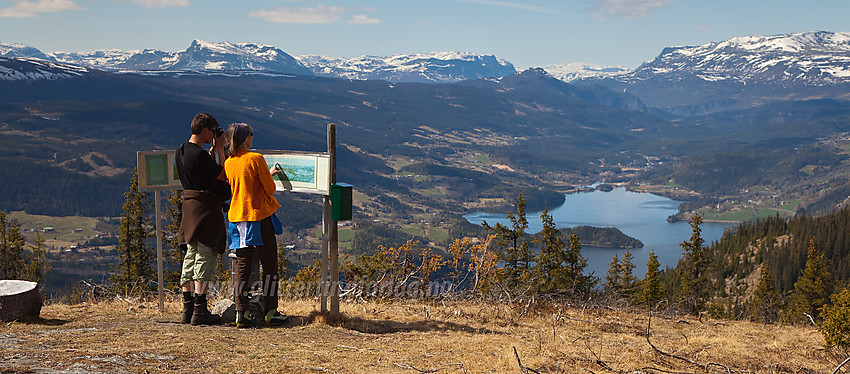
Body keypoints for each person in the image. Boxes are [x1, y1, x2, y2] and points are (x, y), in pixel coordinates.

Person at [224, 122, 288, 328]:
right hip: (258, 217)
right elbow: (269, 189)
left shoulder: (229, 162)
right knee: (269, 264)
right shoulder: (256, 158)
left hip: (237, 217)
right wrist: (270, 176)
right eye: (250, 135)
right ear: (245, 139)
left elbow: (244, 185)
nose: (252, 138)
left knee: (242, 265)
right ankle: (271, 311)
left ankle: (241, 313)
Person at [175, 112, 230, 325]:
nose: (214, 135)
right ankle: (200, 311)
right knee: (205, 254)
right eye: (213, 131)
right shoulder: (198, 154)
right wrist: (219, 150)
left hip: (189, 208)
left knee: (191, 255)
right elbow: (223, 176)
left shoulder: (180, 151)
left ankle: (187, 310)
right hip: (205, 210)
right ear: (205, 130)